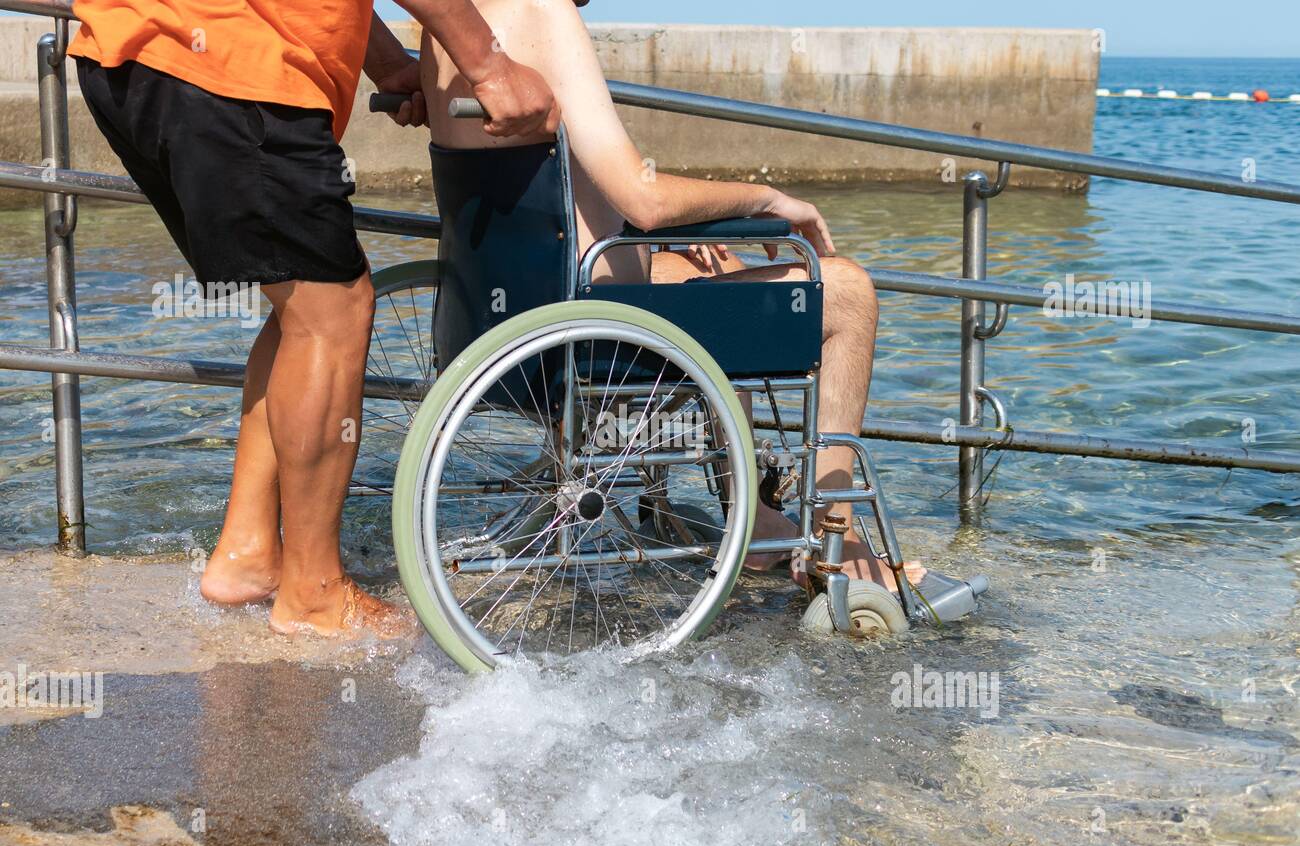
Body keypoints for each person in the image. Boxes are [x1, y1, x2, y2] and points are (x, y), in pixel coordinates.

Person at [68, 0, 560, 634]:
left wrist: (387, 63)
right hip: (234, 67)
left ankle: (247, 555)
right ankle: (314, 595)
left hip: (142, 55)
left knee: (303, 307)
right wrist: (491, 69)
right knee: (335, 312)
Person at [416, 0, 924, 590]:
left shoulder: (449, 31)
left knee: (720, 268)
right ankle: (839, 539)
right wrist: (767, 199)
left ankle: (754, 521)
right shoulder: (545, 13)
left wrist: (672, 245)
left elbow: (555, 201)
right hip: (594, 339)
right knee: (848, 292)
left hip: (501, 329)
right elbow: (645, 199)